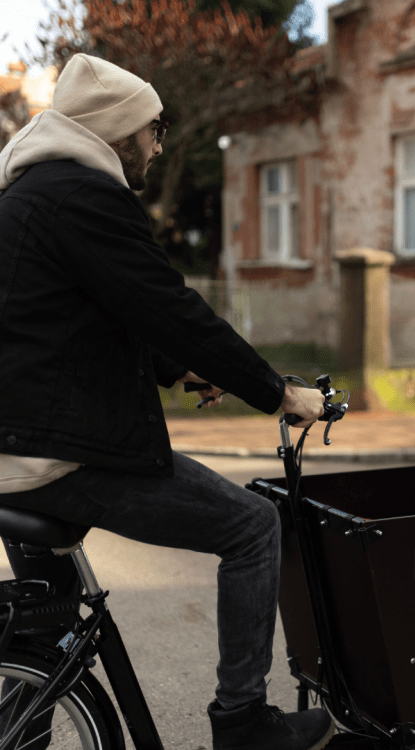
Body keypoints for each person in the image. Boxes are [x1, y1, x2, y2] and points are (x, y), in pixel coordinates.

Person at [0, 53, 334, 750]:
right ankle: (243, 723)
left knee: (47, 629)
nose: (159, 142)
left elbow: (95, 312)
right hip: (57, 455)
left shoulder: (31, 195)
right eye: (154, 128)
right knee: (252, 528)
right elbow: (167, 305)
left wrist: (181, 369)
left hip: (15, 443)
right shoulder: (86, 196)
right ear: (121, 133)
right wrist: (276, 393)